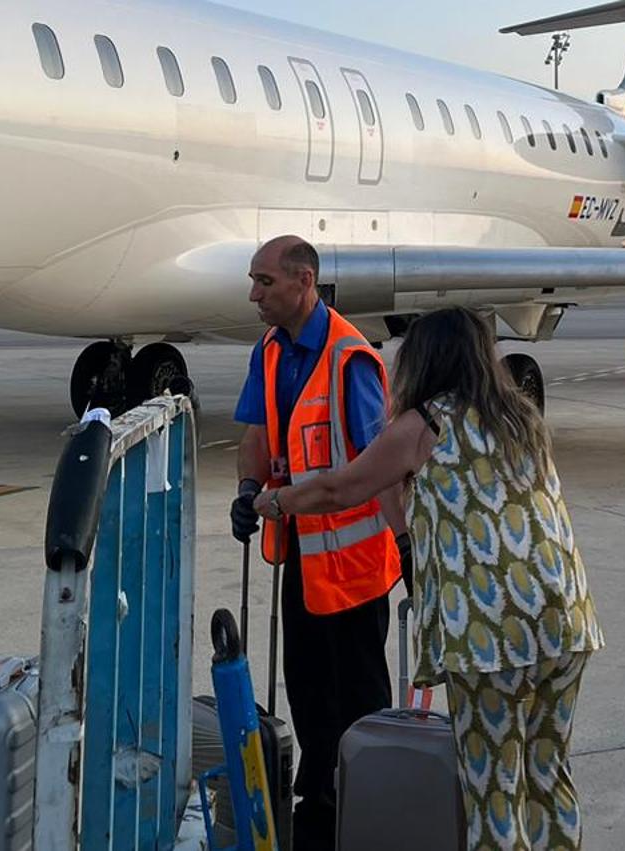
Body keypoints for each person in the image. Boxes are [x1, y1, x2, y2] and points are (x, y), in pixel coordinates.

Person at [255, 306, 604, 850]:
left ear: (424, 360)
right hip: (565, 620)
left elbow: (339, 490)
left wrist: (274, 501)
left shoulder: (426, 424)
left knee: (492, 787)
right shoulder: (519, 417)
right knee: (546, 772)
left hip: (494, 634)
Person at [229, 235, 407, 851]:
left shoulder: (350, 357)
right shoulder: (271, 351)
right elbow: (257, 428)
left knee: (358, 691)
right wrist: (249, 485)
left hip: (354, 562)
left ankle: (369, 793)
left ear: (304, 282)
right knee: (306, 682)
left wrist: (406, 543)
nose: (254, 294)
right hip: (301, 554)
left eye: (265, 282)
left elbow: (379, 464)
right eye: (253, 281)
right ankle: (320, 790)